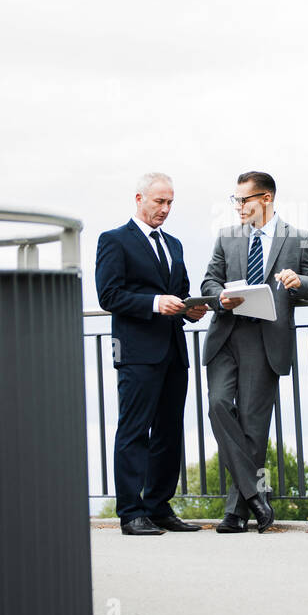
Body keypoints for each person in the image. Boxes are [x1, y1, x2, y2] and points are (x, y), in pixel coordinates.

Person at [201, 171, 308, 532]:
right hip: (228, 335)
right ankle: (255, 494)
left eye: (245, 200)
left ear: (267, 198)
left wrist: (299, 282)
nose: (239, 207)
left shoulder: (300, 239)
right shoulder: (226, 238)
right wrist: (221, 295)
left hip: (266, 341)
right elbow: (209, 281)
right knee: (217, 406)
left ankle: (237, 512)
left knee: (253, 427)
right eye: (236, 201)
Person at [95, 173, 208, 535]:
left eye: (171, 202)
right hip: (137, 352)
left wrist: (193, 309)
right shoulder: (114, 240)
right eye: (160, 201)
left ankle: (159, 507)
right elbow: (109, 296)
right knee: (133, 429)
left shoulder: (174, 244)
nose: (166, 209)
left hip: (174, 350)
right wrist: (157, 303)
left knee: (169, 432)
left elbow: (182, 291)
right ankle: (131, 513)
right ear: (140, 198)